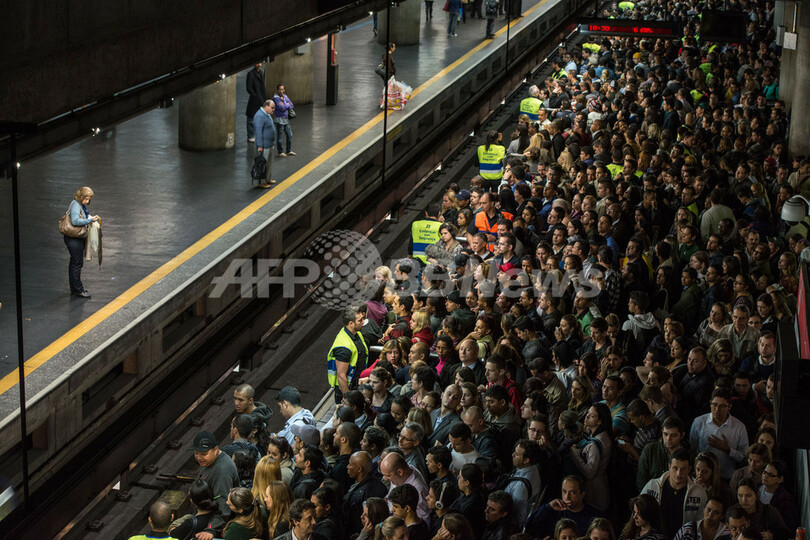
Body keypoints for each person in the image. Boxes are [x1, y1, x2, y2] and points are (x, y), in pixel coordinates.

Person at [641, 448, 708, 539]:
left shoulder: (699, 493)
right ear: (669, 466)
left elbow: (701, 524)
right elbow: (639, 511)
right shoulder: (652, 486)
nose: (678, 473)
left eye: (683, 469)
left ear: (689, 469)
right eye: (675, 468)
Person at [689, 388, 749, 481]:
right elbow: (692, 450)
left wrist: (728, 450)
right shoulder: (699, 423)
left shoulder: (739, 427)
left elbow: (745, 457)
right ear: (710, 403)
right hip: (703, 477)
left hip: (726, 477)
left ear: (729, 406)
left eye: (722, 406)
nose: (717, 410)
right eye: (714, 405)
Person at [525, 475, 602, 539]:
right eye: (564, 491)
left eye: (572, 493)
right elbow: (529, 525)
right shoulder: (554, 511)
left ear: (582, 494)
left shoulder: (594, 515)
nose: (567, 497)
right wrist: (548, 507)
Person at [63, 186, 100, 298]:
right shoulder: (76, 206)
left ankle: (75, 288)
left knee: (74, 263)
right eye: (86, 199)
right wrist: (90, 220)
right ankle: (78, 289)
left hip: (74, 238)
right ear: (81, 196)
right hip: (74, 238)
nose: (87, 201)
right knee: (77, 263)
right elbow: (75, 221)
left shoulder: (78, 204)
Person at [327, 305, 369, 403]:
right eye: (360, 320)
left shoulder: (356, 334)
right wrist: (348, 398)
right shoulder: (343, 347)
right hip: (348, 389)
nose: (363, 321)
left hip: (358, 384)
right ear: (351, 323)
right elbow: (341, 376)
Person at [191, 430, 239, 516]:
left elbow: (223, 510)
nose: (199, 457)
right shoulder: (210, 461)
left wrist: (209, 529)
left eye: (203, 454)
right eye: (196, 453)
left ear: (215, 450)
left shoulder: (222, 472)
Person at [344, 451, 387, 533]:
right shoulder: (378, 484)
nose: (347, 467)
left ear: (359, 469)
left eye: (350, 464)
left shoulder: (366, 493)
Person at [253, 99, 277, 188]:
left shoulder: (267, 114)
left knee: (269, 163)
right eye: (272, 108)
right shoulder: (259, 116)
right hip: (264, 146)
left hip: (270, 144)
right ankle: (262, 182)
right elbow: (258, 132)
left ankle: (267, 179)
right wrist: (259, 145)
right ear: (266, 106)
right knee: (262, 164)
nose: (273, 110)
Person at [245, 62, 266, 143]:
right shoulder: (250, 74)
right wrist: (255, 95)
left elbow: (263, 86)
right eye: (257, 63)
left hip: (261, 98)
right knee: (251, 118)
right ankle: (250, 135)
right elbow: (249, 88)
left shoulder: (261, 73)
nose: (259, 65)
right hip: (254, 99)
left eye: (260, 63)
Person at [272, 84, 295, 157]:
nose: (281, 91)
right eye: (279, 89)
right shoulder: (275, 98)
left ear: (284, 90)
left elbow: (291, 105)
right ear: (277, 90)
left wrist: (285, 105)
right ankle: (280, 152)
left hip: (286, 119)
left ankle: (288, 150)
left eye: (282, 89)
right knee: (280, 137)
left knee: (289, 135)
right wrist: (287, 104)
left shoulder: (285, 96)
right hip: (279, 119)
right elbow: (281, 108)